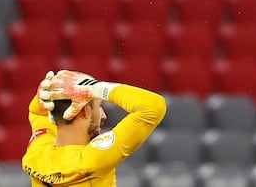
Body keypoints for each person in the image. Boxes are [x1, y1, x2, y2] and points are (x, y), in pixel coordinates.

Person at [22, 69, 167, 187]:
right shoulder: (93, 160)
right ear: (85, 110)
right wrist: (98, 88)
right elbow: (153, 106)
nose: (103, 115)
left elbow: (37, 112)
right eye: (99, 106)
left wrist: (49, 91)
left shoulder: (36, 152)